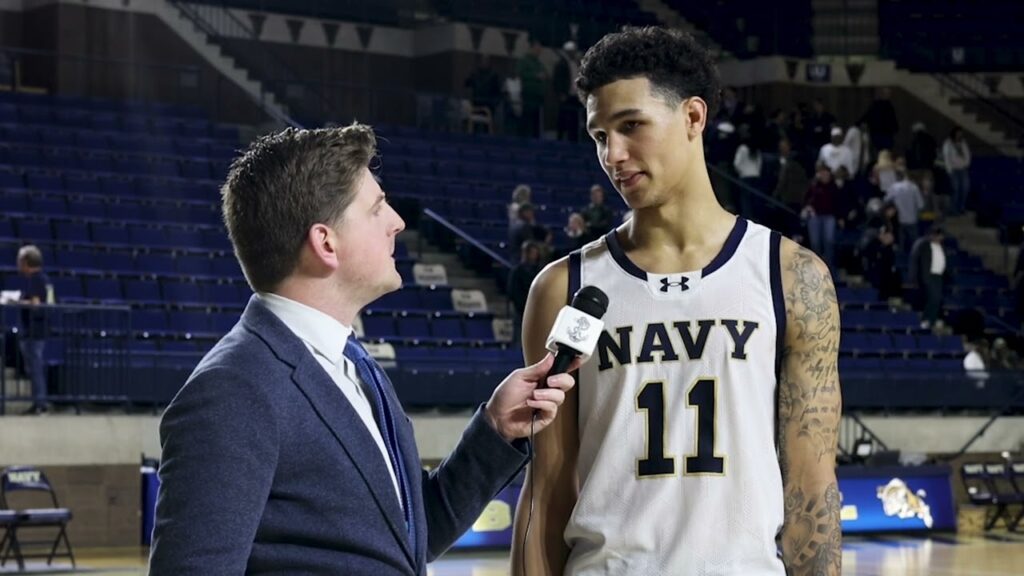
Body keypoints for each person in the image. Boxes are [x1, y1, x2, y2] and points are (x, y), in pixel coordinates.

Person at [149, 125, 578, 575]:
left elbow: (410, 536)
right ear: (326, 243)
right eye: (377, 209)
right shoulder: (232, 390)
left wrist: (495, 428)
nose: (397, 221)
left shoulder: (353, 363)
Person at [512, 26, 841, 576]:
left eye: (631, 126)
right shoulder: (562, 288)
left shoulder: (791, 277)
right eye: (599, 136)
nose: (612, 154)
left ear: (693, 118)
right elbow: (547, 488)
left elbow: (811, 489)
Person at [14, 245, 52, 414]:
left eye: (20, 260)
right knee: (33, 367)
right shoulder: (41, 278)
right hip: (35, 329)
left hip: (34, 331)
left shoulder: (37, 279)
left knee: (35, 367)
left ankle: (40, 403)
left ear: (26, 262)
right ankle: (39, 401)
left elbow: (36, 304)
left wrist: (16, 302)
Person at [909, 226, 951, 329]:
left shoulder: (942, 248)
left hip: (939, 276)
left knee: (937, 299)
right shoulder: (925, 246)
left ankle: (932, 319)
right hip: (929, 276)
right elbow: (923, 263)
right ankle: (926, 319)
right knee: (933, 298)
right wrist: (924, 278)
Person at [507, 240, 543, 346]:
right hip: (520, 311)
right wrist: (524, 306)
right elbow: (513, 292)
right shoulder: (517, 271)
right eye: (532, 252)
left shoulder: (540, 271)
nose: (534, 255)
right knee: (519, 340)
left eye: (535, 253)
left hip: (537, 311)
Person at [942, 126, 971, 215]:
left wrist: (966, 163)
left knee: (965, 188)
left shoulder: (963, 143)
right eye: (958, 133)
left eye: (961, 134)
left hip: (962, 169)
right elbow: (946, 157)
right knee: (956, 189)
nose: (959, 135)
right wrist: (949, 170)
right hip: (953, 170)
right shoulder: (948, 143)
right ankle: (953, 209)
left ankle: (961, 207)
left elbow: (967, 154)